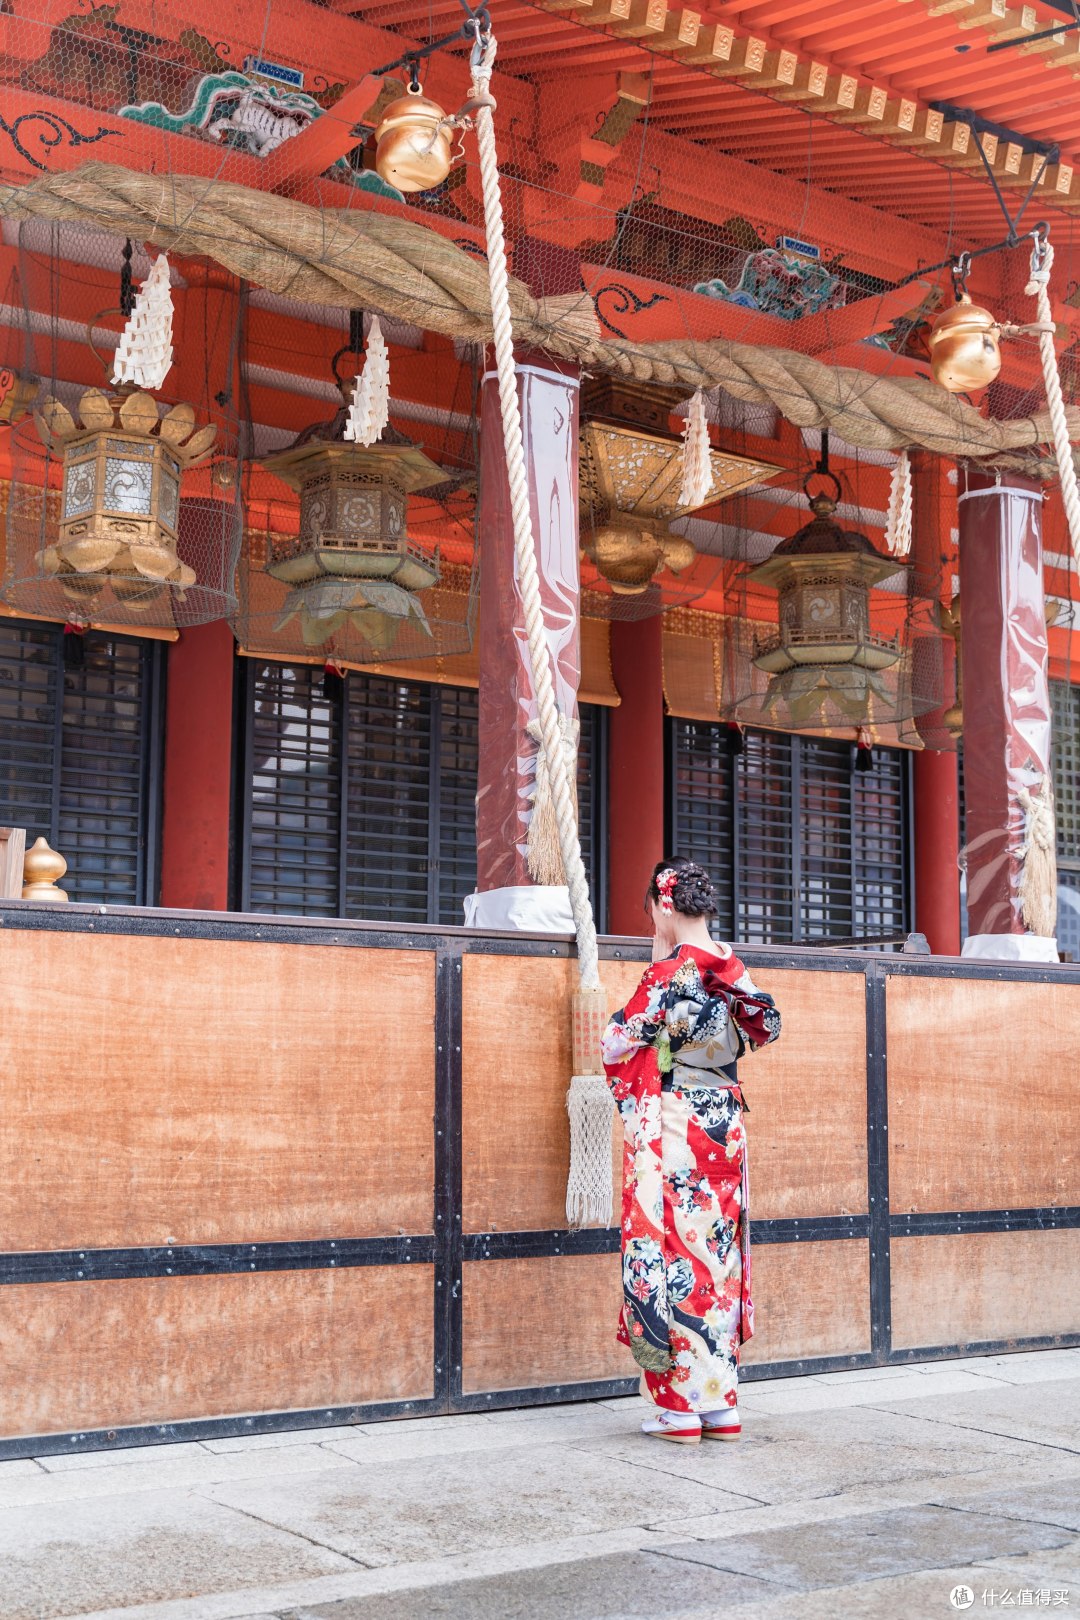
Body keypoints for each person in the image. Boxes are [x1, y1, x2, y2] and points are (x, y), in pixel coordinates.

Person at [600, 858, 781, 1445]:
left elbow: (616, 1040)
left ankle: (679, 1407)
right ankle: (720, 1404)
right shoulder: (731, 967)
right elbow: (766, 1026)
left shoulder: (670, 970)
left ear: (663, 904)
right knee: (716, 1255)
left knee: (672, 1253)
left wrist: (658, 960)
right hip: (724, 1121)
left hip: (675, 1124)